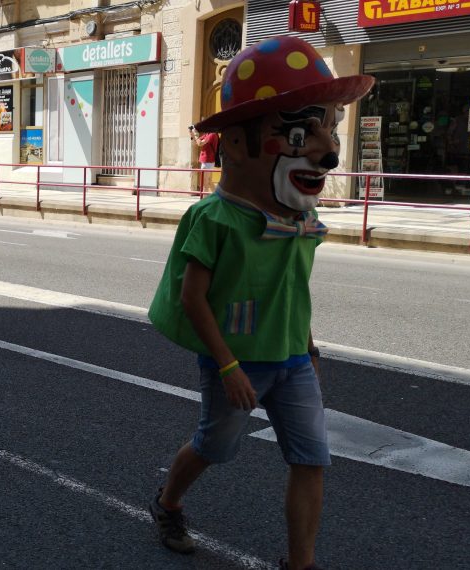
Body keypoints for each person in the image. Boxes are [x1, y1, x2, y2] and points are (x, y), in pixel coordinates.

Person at [145, 36, 373, 570]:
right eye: (299, 134)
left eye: (329, 128)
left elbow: (294, 290)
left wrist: (310, 350)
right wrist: (228, 367)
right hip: (238, 363)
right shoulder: (215, 219)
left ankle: (301, 563)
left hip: (292, 362)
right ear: (237, 143)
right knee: (213, 447)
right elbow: (193, 297)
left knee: (312, 459)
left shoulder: (303, 221)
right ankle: (168, 502)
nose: (327, 151)